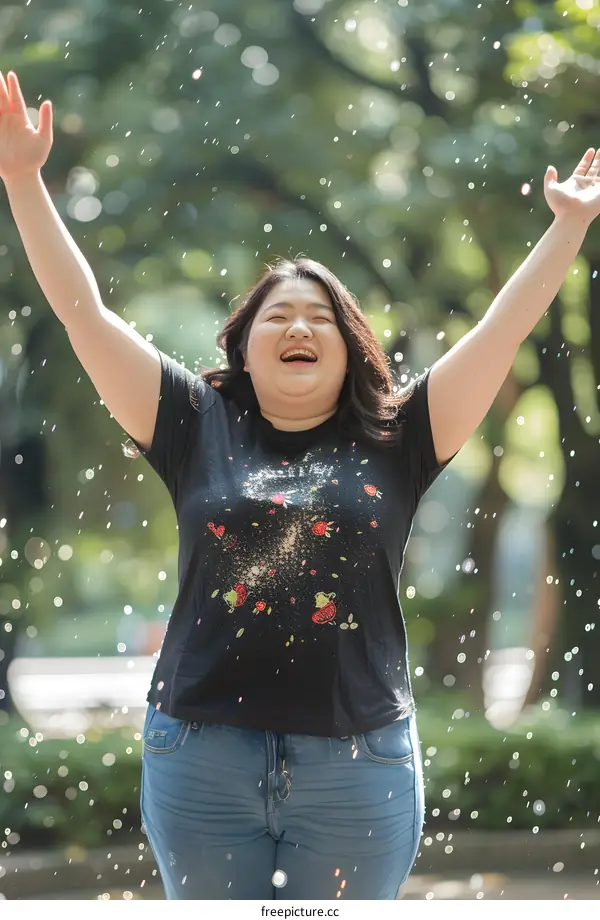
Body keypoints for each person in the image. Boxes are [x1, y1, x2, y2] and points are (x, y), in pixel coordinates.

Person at [2, 68, 599, 901]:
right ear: (243, 347)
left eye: (320, 315)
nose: (298, 325)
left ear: (351, 346)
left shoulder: (401, 435)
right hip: (202, 758)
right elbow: (82, 313)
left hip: (359, 766)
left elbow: (505, 328)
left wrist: (568, 228)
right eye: (276, 314)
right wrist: (24, 181)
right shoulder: (190, 423)